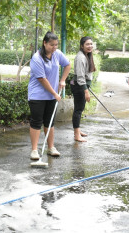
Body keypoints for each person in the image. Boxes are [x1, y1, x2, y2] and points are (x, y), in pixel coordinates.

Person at [28, 31, 71, 160]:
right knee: (36, 122)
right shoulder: (37, 58)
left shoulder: (57, 54)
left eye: (56, 45)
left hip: (52, 96)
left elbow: (67, 65)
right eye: (52, 45)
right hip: (37, 95)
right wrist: (54, 93)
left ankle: (51, 147)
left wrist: (62, 80)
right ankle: (34, 150)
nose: (54, 47)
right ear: (45, 43)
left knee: (50, 122)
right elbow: (42, 79)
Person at [70, 36, 96, 142]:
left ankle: (78, 130)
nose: (90, 46)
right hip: (78, 85)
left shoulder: (87, 55)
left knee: (80, 109)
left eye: (91, 44)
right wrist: (86, 91)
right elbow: (80, 77)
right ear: (82, 46)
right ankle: (76, 134)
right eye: (87, 44)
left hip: (82, 85)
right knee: (78, 110)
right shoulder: (80, 57)